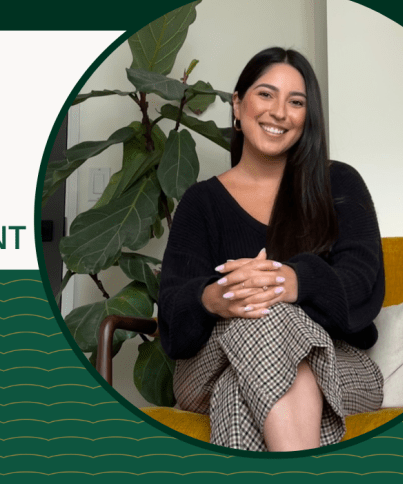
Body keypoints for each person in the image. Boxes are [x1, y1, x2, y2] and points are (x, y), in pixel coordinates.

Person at [157, 47, 385, 452]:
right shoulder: (201, 202)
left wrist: (291, 282)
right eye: (266, 95)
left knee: (244, 377)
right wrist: (218, 297)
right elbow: (173, 311)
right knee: (261, 316)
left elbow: (364, 283)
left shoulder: (340, 184)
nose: (280, 112)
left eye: (296, 102)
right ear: (237, 105)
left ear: (306, 116)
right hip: (207, 367)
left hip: (338, 363)